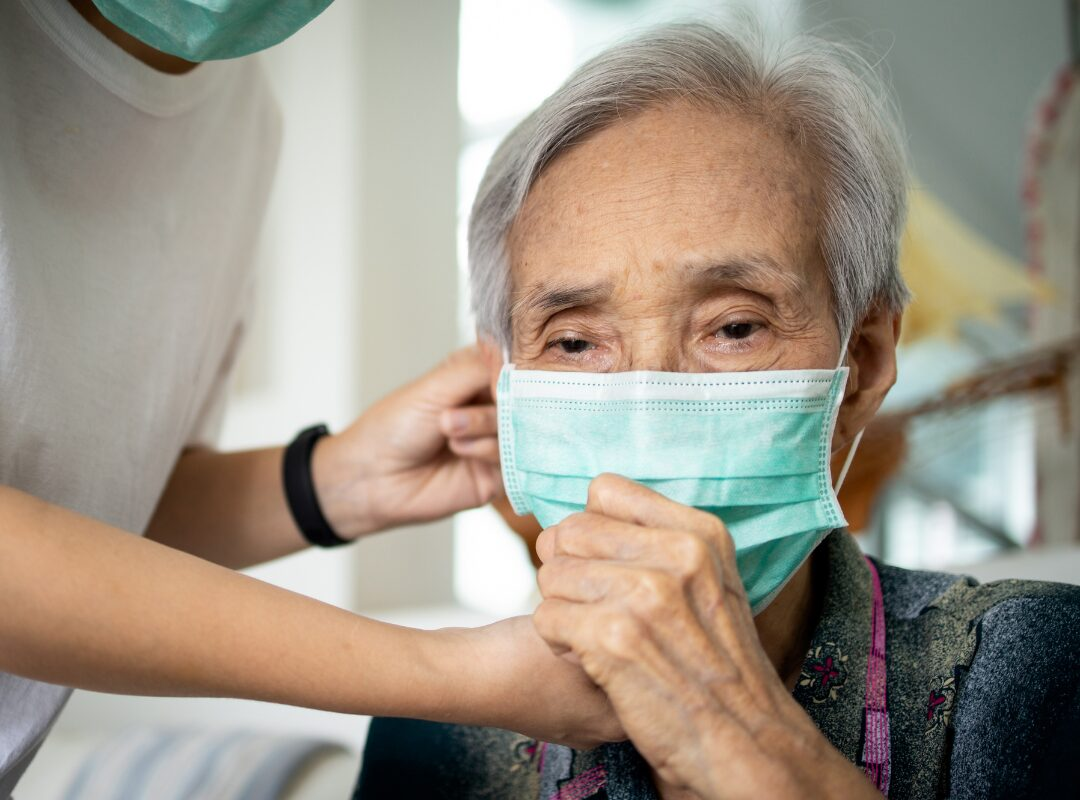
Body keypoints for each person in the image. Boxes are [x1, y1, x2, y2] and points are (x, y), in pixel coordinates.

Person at [355, 18, 1080, 800]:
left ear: (862, 365)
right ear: (508, 388)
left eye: (734, 328)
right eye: (573, 343)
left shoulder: (1038, 673)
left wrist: (748, 746)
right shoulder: (438, 736)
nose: (648, 409)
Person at [0, 0, 621, 796]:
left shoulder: (240, 118)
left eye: (734, 330)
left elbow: (96, 513)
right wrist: (445, 672)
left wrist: (335, 481)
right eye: (575, 340)